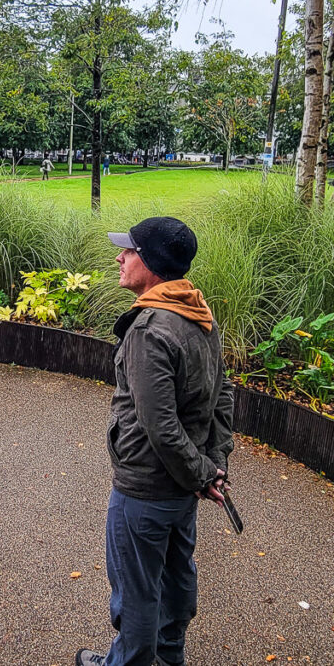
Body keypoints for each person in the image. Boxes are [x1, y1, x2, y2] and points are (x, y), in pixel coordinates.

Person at [76, 217, 234, 666]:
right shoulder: (197, 313)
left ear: (151, 262)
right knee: (176, 579)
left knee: (138, 593)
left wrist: (205, 470)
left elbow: (159, 427)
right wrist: (212, 464)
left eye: (129, 251)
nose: (119, 258)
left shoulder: (150, 329)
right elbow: (224, 393)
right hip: (183, 488)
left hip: (145, 487)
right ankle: (169, 657)